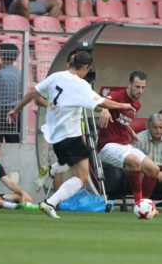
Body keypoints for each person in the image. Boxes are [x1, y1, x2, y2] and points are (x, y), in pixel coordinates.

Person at [7, 50, 132, 218]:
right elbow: (101, 102)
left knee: (73, 165)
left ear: (72, 62)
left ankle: (51, 171)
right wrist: (124, 106)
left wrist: (16, 110)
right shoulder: (81, 85)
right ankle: (50, 202)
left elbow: (31, 93)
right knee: (82, 178)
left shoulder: (56, 77)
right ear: (87, 67)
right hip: (70, 136)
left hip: (56, 137)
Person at [97, 71, 161, 204]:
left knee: (154, 170)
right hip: (107, 145)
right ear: (130, 84)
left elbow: (121, 120)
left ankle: (145, 204)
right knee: (134, 162)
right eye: (137, 86)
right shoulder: (117, 95)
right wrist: (104, 109)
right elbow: (99, 101)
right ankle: (138, 204)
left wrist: (130, 131)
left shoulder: (137, 104)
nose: (140, 90)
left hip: (124, 145)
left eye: (143, 87)